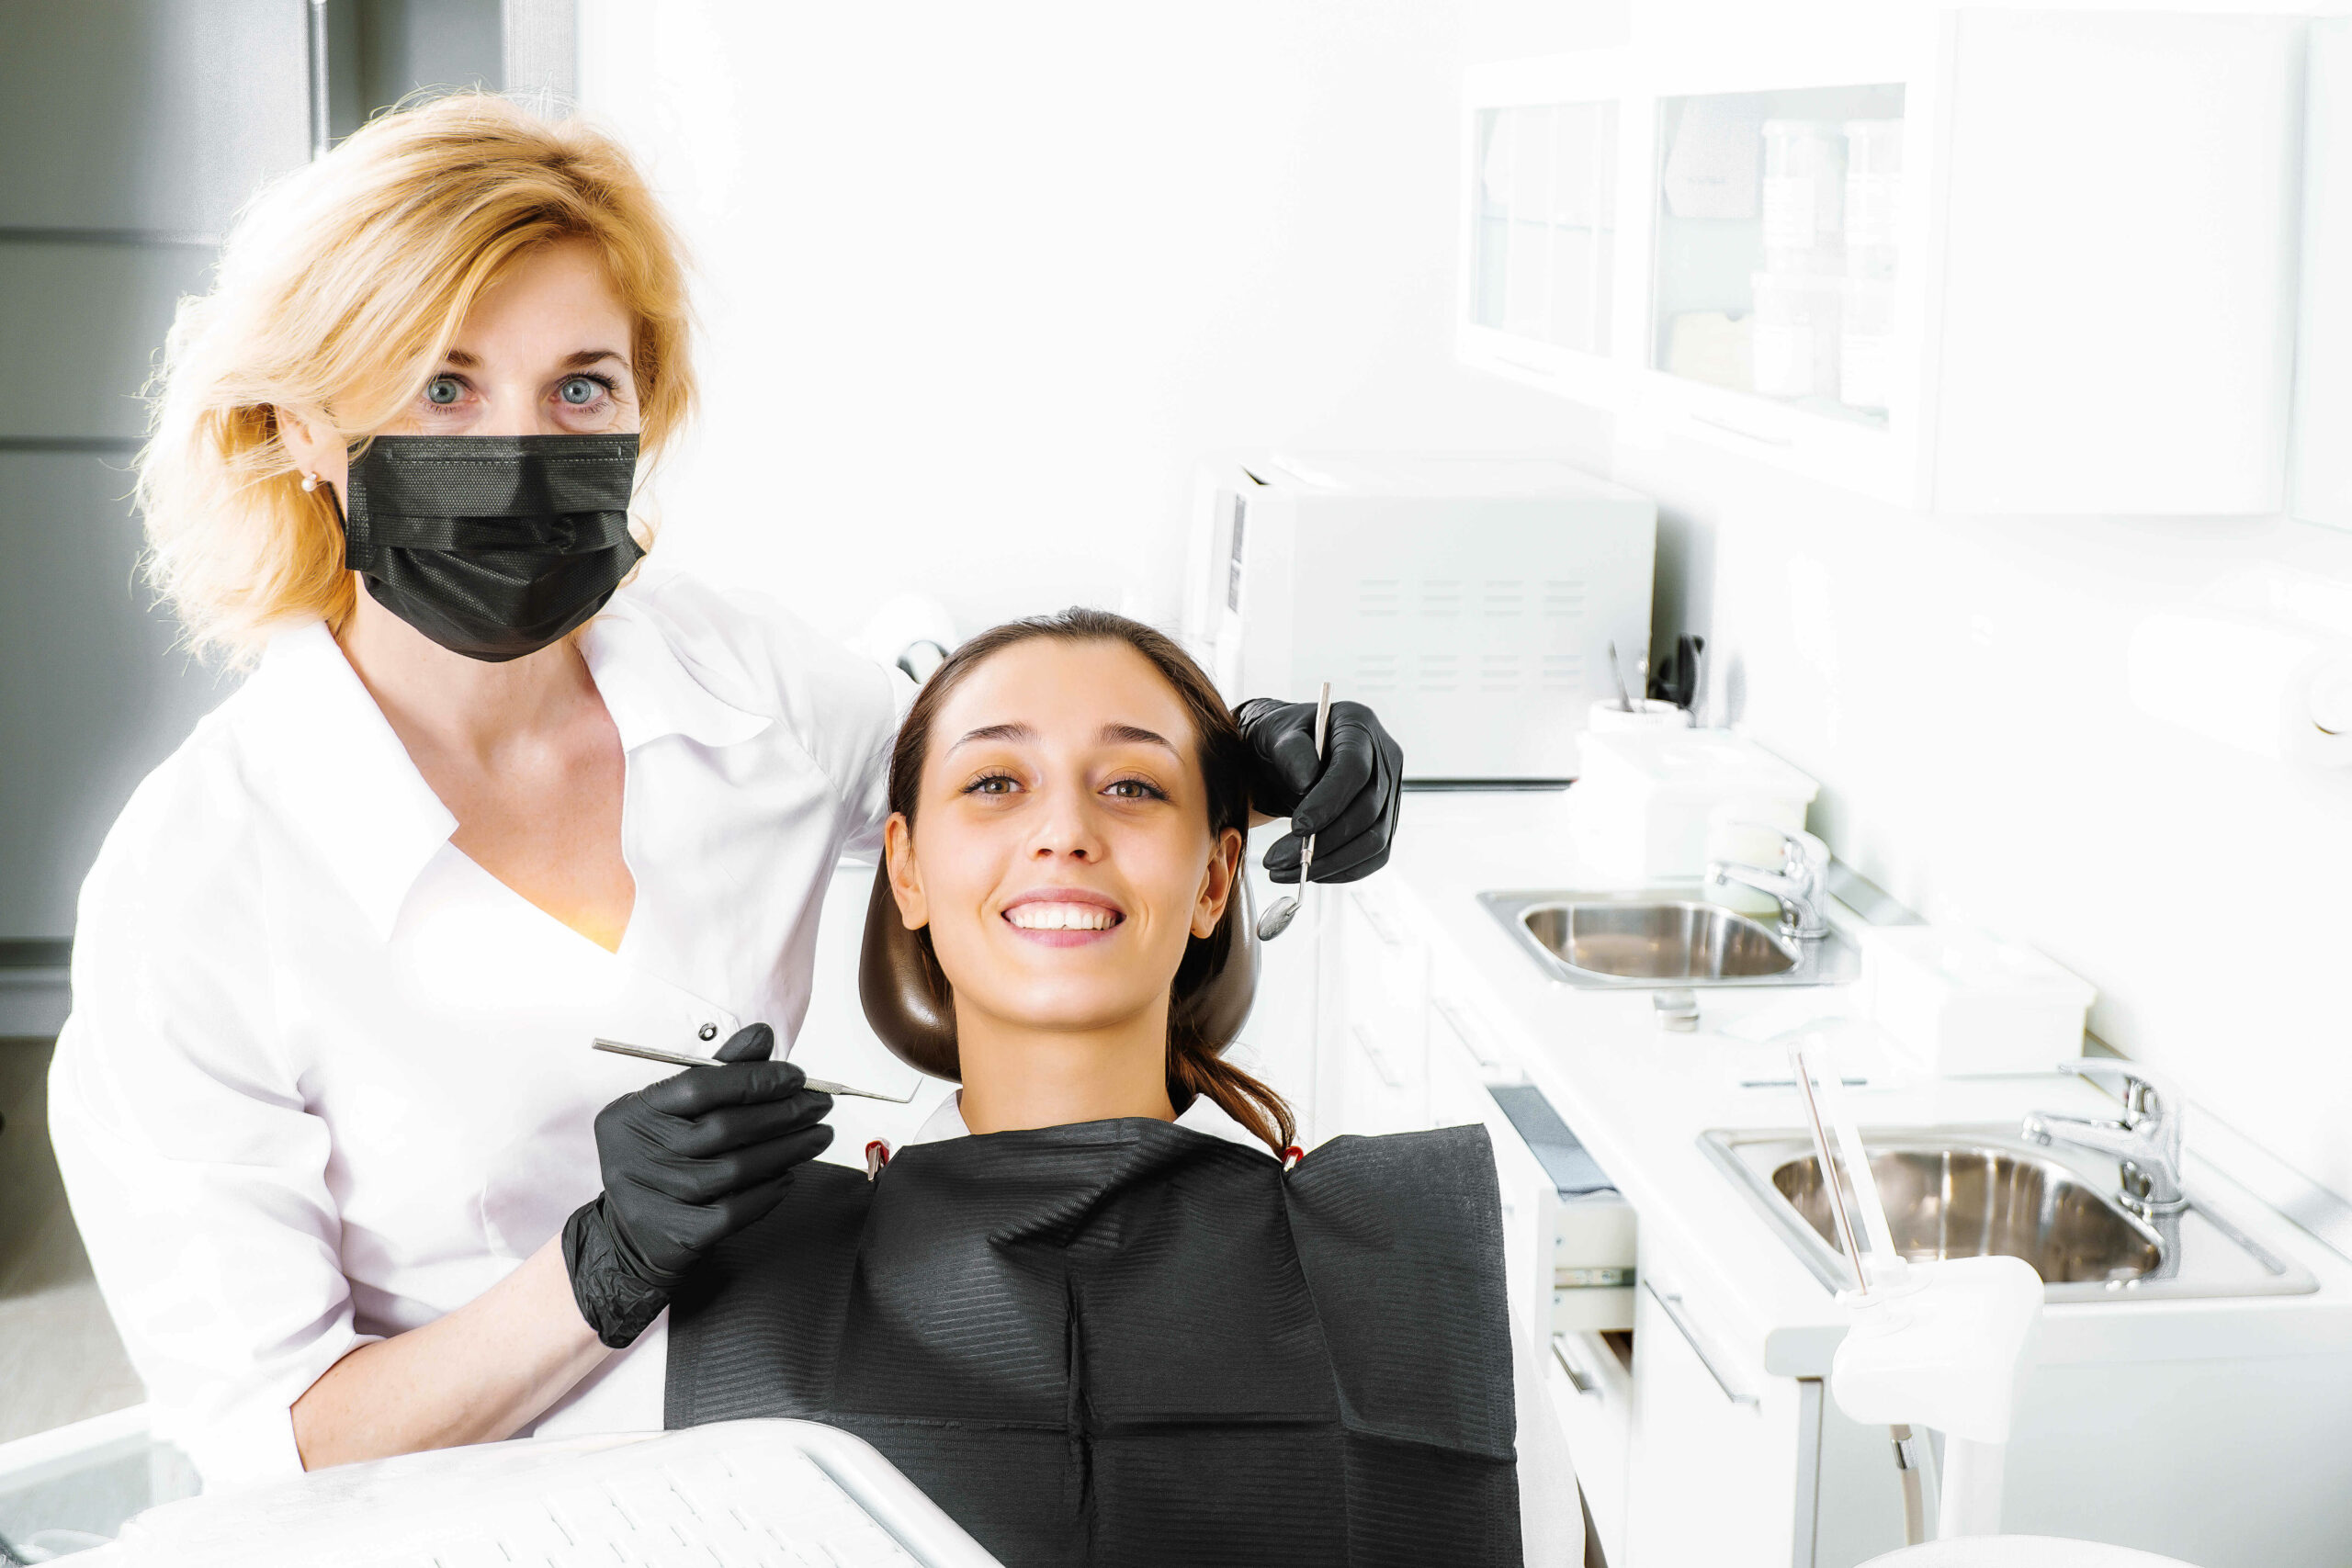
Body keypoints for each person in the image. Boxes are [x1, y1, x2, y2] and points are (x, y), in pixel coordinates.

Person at [46, 93, 1404, 1490]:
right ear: (309, 428)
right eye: (442, 386)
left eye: (581, 386)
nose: (519, 451)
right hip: (466, 1512)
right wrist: (598, 1267)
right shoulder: (196, 884)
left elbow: (986, 777)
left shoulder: (731, 682)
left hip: (791, 1427)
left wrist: (1228, 755)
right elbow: (279, 1447)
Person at [662, 609, 1579, 1566]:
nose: (1064, 831)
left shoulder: (1411, 1269)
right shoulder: (741, 1271)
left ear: (1217, 878)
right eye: (994, 783)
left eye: (1133, 785)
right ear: (906, 869)